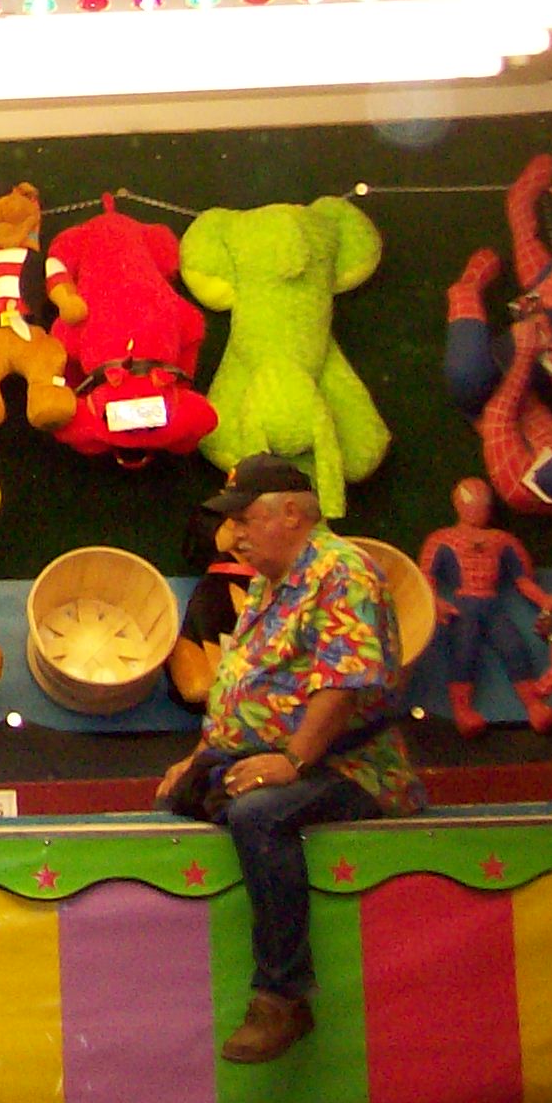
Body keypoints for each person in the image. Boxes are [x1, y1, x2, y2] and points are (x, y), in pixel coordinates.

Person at [156, 454, 424, 1064]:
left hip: (348, 768)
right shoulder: (267, 582)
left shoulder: (342, 570)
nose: (236, 536)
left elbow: (345, 680)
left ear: (293, 514)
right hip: (265, 755)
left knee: (259, 814)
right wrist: (201, 756)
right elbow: (238, 682)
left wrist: (294, 761)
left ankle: (282, 997)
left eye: (247, 521)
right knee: (187, 793)